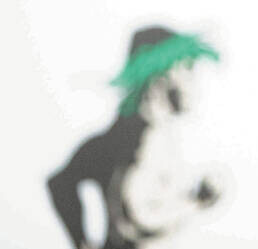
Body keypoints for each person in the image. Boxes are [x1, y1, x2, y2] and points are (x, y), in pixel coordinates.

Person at [48, 26, 222, 249]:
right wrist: (195, 202)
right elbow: (140, 217)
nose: (194, 81)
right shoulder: (139, 140)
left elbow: (60, 183)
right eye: (187, 68)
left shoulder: (149, 136)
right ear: (161, 75)